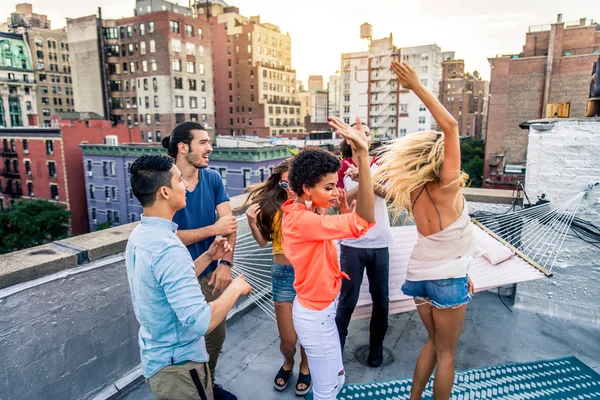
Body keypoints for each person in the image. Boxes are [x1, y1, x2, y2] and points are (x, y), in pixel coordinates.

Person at [375, 61, 478, 400]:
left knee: (433, 343)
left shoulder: (413, 192)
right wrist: (417, 86)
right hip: (446, 279)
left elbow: (377, 188)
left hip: (419, 276)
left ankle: (414, 398)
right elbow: (449, 124)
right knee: (447, 353)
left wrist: (362, 157)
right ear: (442, 157)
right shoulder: (447, 186)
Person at [125, 154, 252, 400]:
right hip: (179, 368)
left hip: (158, 359)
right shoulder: (168, 247)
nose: (185, 186)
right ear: (165, 191)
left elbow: (167, 282)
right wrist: (236, 288)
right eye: (179, 180)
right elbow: (200, 321)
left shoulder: (142, 235)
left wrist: (207, 256)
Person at [281, 117, 376, 400]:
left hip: (321, 311)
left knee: (338, 377)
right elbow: (364, 223)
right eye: (329, 187)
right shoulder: (303, 221)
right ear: (308, 188)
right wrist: (364, 159)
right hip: (314, 316)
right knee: (326, 391)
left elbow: (334, 235)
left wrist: (339, 211)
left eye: (336, 186)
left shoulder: (305, 211)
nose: (336, 192)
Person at [162, 122, 239, 400]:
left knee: (215, 340)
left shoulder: (212, 178)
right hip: (179, 278)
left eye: (210, 142)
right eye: (203, 142)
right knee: (185, 344)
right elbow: (166, 236)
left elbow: (229, 223)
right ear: (183, 147)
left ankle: (209, 385)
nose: (210, 148)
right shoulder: (164, 182)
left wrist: (225, 265)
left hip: (211, 274)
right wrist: (211, 230)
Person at [243, 159, 312, 395]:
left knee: (308, 333)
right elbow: (264, 242)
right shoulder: (273, 206)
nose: (289, 188)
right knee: (288, 340)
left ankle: (305, 366)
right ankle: (289, 361)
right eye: (284, 185)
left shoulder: (311, 203)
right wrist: (253, 223)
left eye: (293, 182)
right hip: (282, 274)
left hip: (308, 274)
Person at [335, 123, 394, 367]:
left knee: (381, 300)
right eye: (358, 133)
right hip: (351, 245)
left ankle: (376, 346)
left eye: (368, 133)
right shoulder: (340, 168)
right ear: (349, 140)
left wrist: (365, 178)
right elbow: (336, 201)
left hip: (380, 243)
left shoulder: (381, 164)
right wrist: (361, 186)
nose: (363, 137)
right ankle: (336, 347)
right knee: (347, 300)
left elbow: (391, 194)